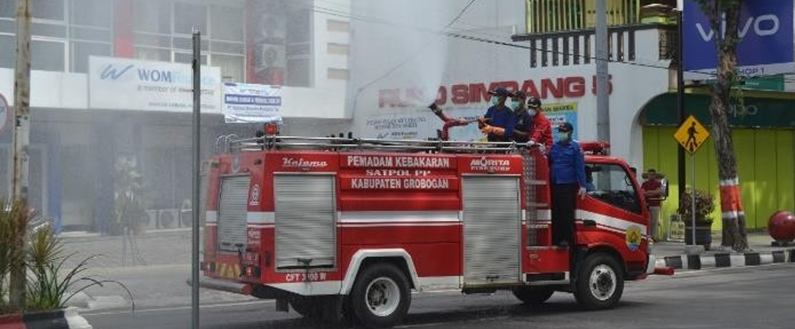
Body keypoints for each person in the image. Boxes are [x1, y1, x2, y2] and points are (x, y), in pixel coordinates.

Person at [548, 122, 587, 248]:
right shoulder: (555, 146)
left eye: (563, 131)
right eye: (559, 131)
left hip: (568, 184)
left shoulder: (575, 148)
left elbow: (579, 167)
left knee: (566, 213)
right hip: (555, 183)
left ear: (570, 132)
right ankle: (555, 239)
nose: (561, 133)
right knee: (555, 212)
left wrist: (583, 185)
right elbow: (549, 160)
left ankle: (566, 240)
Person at [641, 169, 663, 241]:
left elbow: (659, 191)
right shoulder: (644, 184)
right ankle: (648, 237)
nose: (651, 176)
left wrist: (649, 192)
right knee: (648, 221)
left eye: (652, 174)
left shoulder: (659, 183)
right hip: (646, 205)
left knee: (654, 221)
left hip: (656, 204)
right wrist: (653, 192)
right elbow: (643, 192)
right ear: (647, 175)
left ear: (655, 175)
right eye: (649, 174)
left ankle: (653, 236)